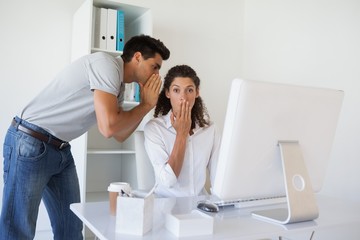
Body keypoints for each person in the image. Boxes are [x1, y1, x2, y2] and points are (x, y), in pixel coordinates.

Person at [0, 34, 170, 240]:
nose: (157, 74)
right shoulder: (106, 65)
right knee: (17, 229)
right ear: (137, 57)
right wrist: (145, 105)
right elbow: (108, 127)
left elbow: (119, 135)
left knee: (71, 228)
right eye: (155, 66)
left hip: (60, 149)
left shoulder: (118, 86)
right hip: (30, 142)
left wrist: (147, 106)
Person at [144, 65, 220, 197]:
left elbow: (218, 176)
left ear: (197, 92)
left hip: (199, 205)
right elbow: (168, 180)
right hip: (166, 205)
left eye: (189, 90)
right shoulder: (154, 128)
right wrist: (182, 133)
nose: (183, 97)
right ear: (168, 93)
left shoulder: (210, 129)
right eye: (176, 90)